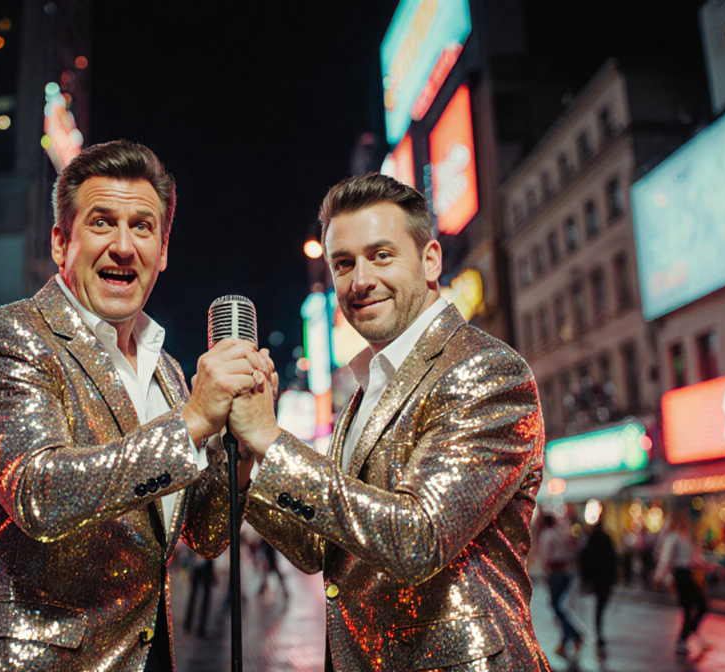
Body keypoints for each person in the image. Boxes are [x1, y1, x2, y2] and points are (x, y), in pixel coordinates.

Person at [0, 140, 269, 672]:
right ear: (61, 242)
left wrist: (243, 448)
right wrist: (193, 422)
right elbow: (40, 492)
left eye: (142, 226)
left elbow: (205, 534)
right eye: (102, 222)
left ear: (163, 250)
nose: (123, 245)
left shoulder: (171, 373)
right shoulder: (5, 336)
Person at [229, 174, 549, 671]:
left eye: (381, 255)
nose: (359, 281)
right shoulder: (366, 389)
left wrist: (273, 441)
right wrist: (250, 466)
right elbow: (324, 549)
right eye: (343, 263)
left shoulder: (485, 371)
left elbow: (417, 537)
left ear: (430, 261)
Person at [655, 512, 711, 656]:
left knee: (700, 606)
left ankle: (689, 633)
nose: (687, 523)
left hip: (687, 574)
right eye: (684, 521)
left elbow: (694, 558)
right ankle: (683, 639)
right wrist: (663, 578)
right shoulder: (673, 538)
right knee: (689, 608)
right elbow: (666, 560)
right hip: (680, 575)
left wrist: (706, 566)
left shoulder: (686, 538)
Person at [536, 513, 583, 660]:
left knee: (556, 607)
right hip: (566, 572)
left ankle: (574, 635)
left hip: (555, 572)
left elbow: (545, 556)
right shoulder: (562, 533)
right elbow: (572, 549)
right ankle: (565, 642)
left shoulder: (547, 536)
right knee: (560, 607)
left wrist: (545, 573)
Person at [579, 522, 617, 658]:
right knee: (601, 605)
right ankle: (599, 632)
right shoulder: (606, 539)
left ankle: (598, 631)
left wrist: (586, 578)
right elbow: (613, 558)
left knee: (599, 607)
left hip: (597, 578)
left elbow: (584, 559)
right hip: (605, 578)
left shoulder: (591, 540)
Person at [182, 555, 213, 637]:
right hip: (205, 564)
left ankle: (190, 623)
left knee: (195, 594)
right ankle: (199, 626)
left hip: (198, 564)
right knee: (204, 596)